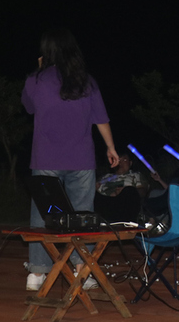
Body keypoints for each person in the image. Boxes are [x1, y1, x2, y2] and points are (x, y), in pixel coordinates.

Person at [22, 27, 119, 291]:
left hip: (46, 158)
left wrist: (38, 71)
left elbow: (29, 107)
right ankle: (81, 271)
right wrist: (111, 147)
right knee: (82, 216)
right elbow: (101, 118)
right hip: (81, 159)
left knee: (43, 214)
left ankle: (37, 273)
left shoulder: (36, 80)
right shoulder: (86, 81)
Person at [94, 152, 147, 223]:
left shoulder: (136, 175)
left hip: (125, 205)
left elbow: (143, 192)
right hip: (105, 204)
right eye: (118, 160)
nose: (121, 163)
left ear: (130, 163)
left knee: (130, 191)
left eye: (124, 160)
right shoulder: (105, 177)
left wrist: (125, 191)